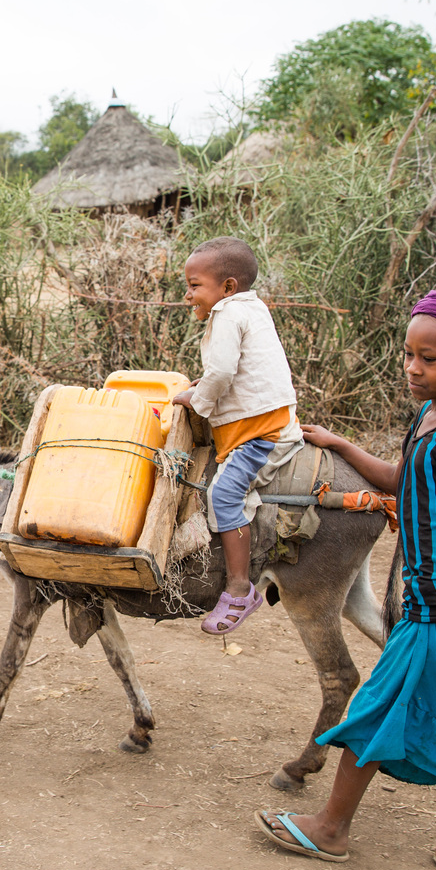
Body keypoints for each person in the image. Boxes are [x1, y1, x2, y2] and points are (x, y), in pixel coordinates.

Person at [254, 279, 436, 870]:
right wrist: (341, 445)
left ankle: (333, 829)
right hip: (429, 609)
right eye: (408, 355)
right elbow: (400, 479)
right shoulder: (431, 417)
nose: (413, 369)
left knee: (388, 711)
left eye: (430, 359)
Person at [170, 237, 299, 636]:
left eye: (194, 285)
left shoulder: (226, 314)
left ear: (227, 287)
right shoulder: (251, 308)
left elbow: (224, 373)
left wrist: (197, 399)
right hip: (264, 422)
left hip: (259, 434)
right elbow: (237, 372)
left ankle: (240, 588)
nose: (188, 294)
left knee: (223, 494)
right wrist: (205, 385)